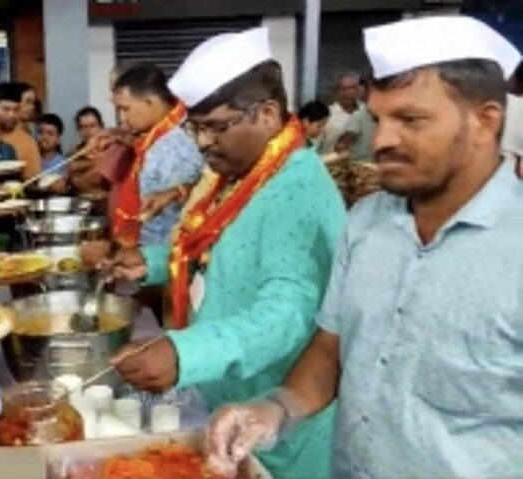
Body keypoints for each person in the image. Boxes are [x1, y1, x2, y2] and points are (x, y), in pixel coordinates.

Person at [206, 16, 523, 478]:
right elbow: (330, 349)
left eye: (410, 120)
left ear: (484, 121)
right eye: (378, 119)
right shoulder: (367, 223)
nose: (382, 140)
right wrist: (273, 410)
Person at [103, 27, 346, 478]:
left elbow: (287, 314)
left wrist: (186, 352)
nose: (202, 143)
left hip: (275, 420)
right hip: (225, 395)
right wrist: (152, 263)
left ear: (267, 114)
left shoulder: (296, 189)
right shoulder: (238, 173)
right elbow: (216, 256)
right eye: (195, 127)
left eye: (216, 127)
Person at [110, 63, 204, 247]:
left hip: (163, 252)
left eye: (125, 109)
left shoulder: (176, 145)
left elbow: (173, 219)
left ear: (149, 103)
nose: (122, 118)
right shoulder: (160, 134)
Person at [0, 82, 42, 180]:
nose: (12, 115)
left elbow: (33, 180)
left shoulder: (28, 143)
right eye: (6, 109)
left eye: (16, 110)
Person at [315, 71, 363, 154]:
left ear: (358, 90)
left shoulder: (367, 112)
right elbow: (314, 147)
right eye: (343, 88)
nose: (348, 92)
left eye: (352, 88)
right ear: (336, 91)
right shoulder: (326, 115)